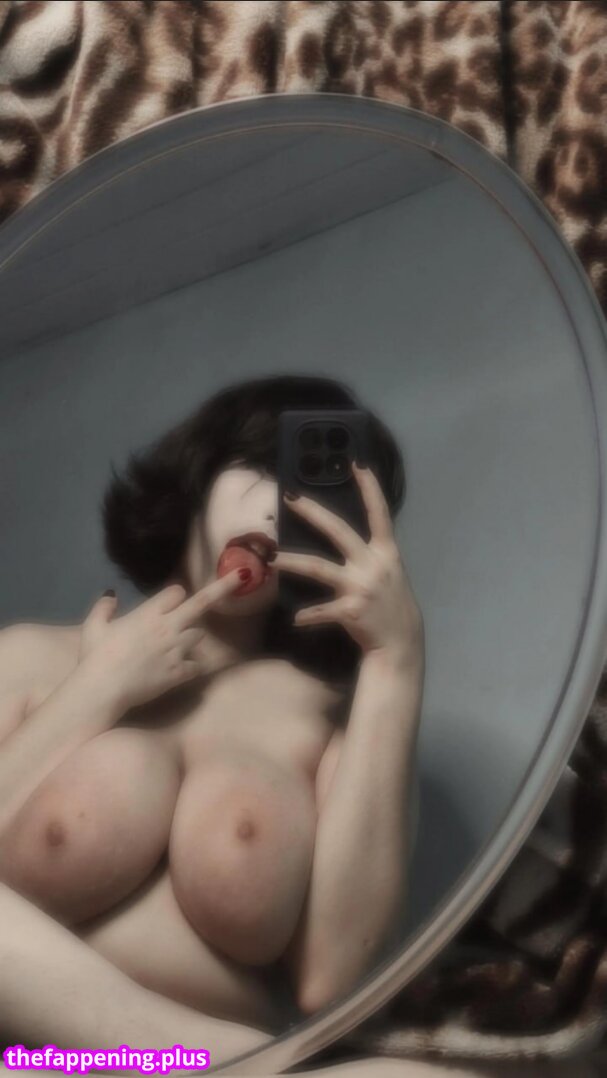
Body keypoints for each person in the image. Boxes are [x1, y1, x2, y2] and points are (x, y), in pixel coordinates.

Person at [0, 374, 424, 1058]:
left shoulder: (334, 722)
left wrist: (395, 665)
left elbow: (332, 982)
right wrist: (96, 690)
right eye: (260, 468)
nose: (276, 510)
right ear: (200, 474)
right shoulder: (31, 658)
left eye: (312, 495)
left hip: (230, 1062)